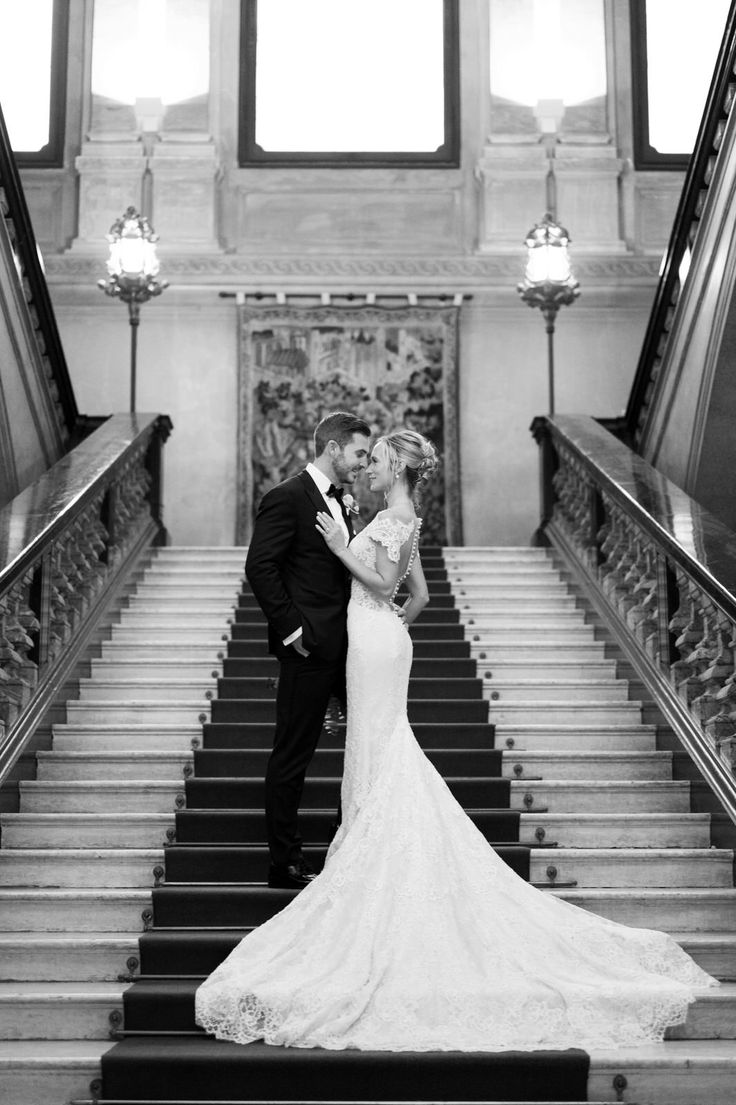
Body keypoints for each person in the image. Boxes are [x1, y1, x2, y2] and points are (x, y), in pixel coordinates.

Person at [197, 428, 718, 1052]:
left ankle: (369, 855)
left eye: (380, 459)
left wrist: (345, 556)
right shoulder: (385, 511)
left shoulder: (394, 513)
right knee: (374, 747)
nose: (370, 467)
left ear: (400, 469)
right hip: (366, 645)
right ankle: (353, 848)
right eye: (367, 457)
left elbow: (388, 586)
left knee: (382, 749)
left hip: (372, 643)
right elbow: (414, 596)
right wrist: (384, 629)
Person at [244, 410, 371, 890]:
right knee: (293, 754)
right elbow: (262, 568)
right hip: (310, 647)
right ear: (333, 448)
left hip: (350, 647)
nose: (362, 463)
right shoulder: (286, 497)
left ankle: (352, 847)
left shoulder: (342, 501)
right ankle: (285, 862)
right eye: (359, 453)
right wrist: (293, 631)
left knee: (366, 746)